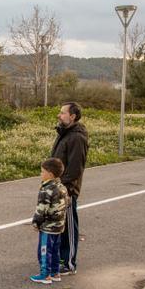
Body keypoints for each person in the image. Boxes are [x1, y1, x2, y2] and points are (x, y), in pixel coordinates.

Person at [50, 102, 88, 276]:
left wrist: (61, 186)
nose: (59, 115)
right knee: (59, 227)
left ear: (72, 116)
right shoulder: (64, 133)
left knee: (69, 227)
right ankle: (60, 259)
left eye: (62, 112)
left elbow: (74, 169)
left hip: (67, 191)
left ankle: (70, 263)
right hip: (57, 188)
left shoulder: (77, 138)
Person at [30, 158, 69, 285]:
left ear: (50, 174)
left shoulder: (47, 189)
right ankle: (55, 272)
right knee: (55, 250)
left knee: (44, 251)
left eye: (42, 172)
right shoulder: (62, 187)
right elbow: (66, 204)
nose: (41, 174)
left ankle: (45, 274)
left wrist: (36, 223)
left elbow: (42, 209)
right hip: (59, 226)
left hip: (48, 227)